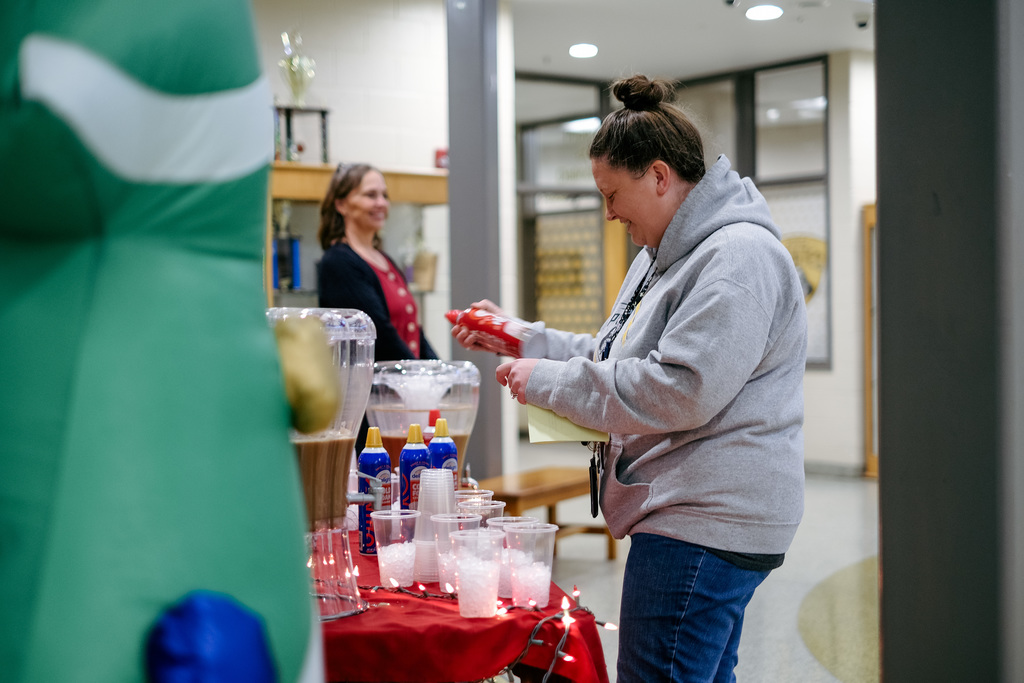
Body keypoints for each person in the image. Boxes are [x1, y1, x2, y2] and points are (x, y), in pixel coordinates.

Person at [452, 75, 807, 682]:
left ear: (660, 177)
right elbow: (616, 353)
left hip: (700, 520)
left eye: (613, 194)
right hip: (691, 514)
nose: (610, 211)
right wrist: (523, 339)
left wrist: (548, 382)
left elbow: (679, 388)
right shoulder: (664, 256)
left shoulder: (736, 257)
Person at [318, 162, 437, 362]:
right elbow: (380, 335)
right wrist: (419, 377)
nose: (381, 203)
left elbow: (414, 330)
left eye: (385, 195)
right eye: (371, 195)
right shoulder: (338, 262)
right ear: (341, 205)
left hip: (406, 383)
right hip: (375, 389)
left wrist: (439, 373)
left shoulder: (383, 259)